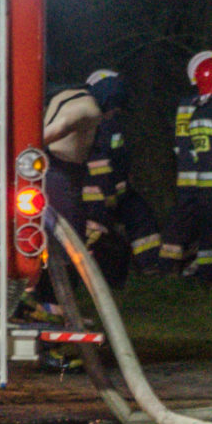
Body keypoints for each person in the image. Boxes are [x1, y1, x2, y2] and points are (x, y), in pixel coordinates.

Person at [158, 50, 212, 283]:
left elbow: (189, 149)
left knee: (208, 233)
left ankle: (206, 274)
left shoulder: (196, 112)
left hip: (203, 184)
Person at [82, 68, 162, 279]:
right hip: (96, 195)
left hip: (117, 192)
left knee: (141, 216)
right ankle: (80, 271)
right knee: (93, 231)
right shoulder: (92, 123)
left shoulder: (111, 124)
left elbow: (119, 160)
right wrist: (108, 194)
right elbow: (99, 165)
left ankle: (150, 265)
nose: (117, 107)